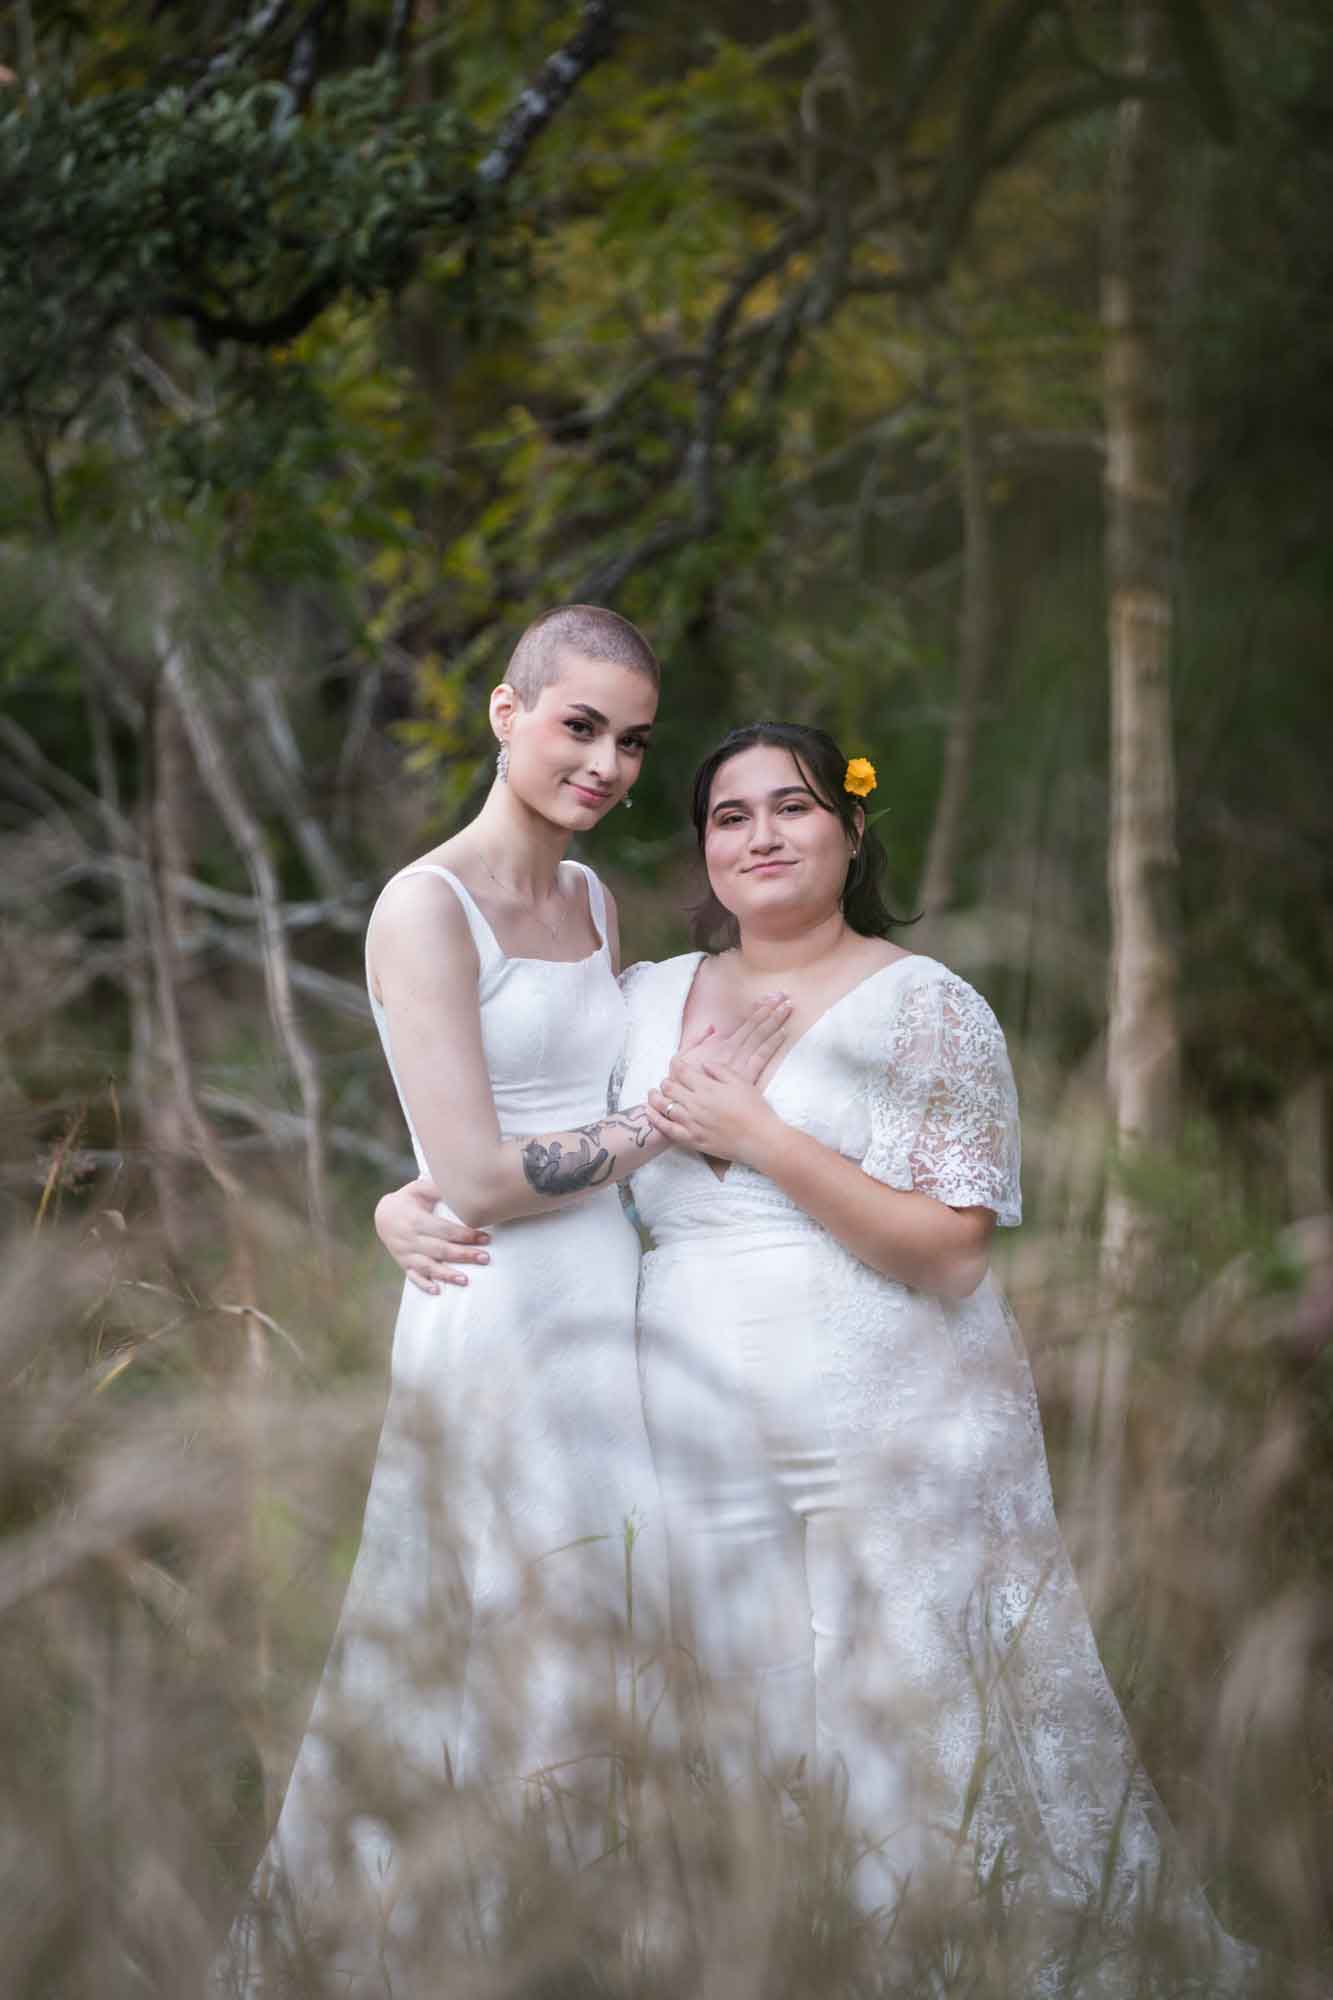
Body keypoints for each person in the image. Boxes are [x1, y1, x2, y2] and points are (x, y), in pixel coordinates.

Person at [379, 721, 1261, 1991]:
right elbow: (528, 1138)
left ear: (851, 830)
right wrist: (403, 1201)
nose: (762, 836)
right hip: (682, 1429)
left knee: (914, 1725)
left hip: (895, 1414)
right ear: (704, 851)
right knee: (738, 1731)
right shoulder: (643, 997)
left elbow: (951, 1251)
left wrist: (758, 1133)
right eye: (729, 816)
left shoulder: (931, 1004)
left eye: (791, 807)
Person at [227, 610, 788, 1990]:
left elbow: (548, 1116)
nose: (604, 762)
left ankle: (607, 1941)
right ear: (504, 711)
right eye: (579, 725)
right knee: (505, 1635)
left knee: (611, 1632)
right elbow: (475, 1172)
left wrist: (453, 1181)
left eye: (633, 741)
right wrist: (654, 1127)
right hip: (501, 1320)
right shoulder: (425, 907)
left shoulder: (593, 902)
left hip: (611, 1309)